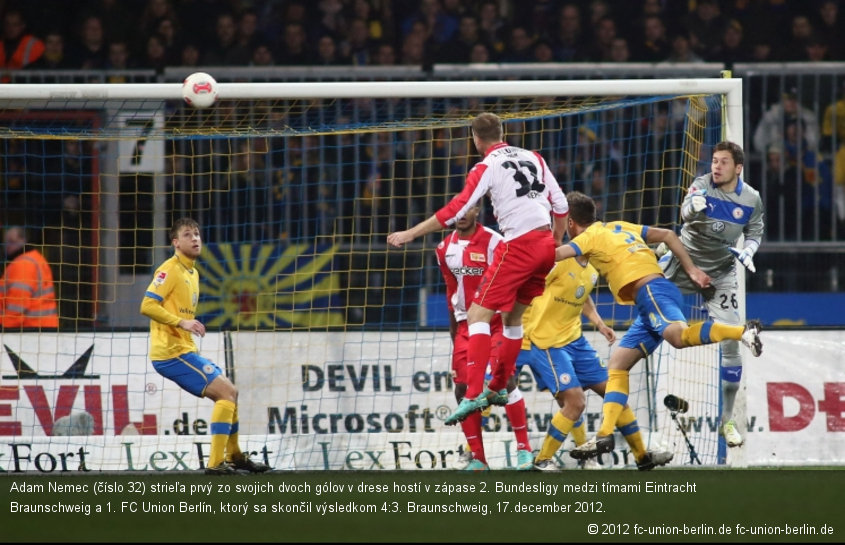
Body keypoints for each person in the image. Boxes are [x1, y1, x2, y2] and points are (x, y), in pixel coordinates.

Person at [387, 112, 569, 429]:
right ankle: (498, 386)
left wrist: (410, 234)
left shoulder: (486, 165)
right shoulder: (534, 157)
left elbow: (457, 207)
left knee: (476, 316)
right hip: (544, 244)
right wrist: (552, 242)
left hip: (520, 244)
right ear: (503, 132)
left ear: (475, 139)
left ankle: (473, 393)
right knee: (513, 319)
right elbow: (562, 205)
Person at [555, 191, 762, 460]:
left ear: (570, 222)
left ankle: (743, 331)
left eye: (561, 220)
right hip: (650, 298)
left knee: (678, 337)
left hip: (653, 291)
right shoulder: (620, 226)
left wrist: (523, 245)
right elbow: (667, 235)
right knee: (618, 363)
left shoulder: (588, 237)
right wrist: (691, 269)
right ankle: (604, 435)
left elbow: (555, 254)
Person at [518, 250, 673, 471]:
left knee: (614, 395)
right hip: (547, 342)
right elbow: (529, 280)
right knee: (574, 402)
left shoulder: (590, 270)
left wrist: (600, 324)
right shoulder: (559, 261)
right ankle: (542, 460)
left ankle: (642, 457)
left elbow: (583, 295)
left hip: (575, 341)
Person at [140, 218, 271, 475]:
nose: (195, 238)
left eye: (197, 233)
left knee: (231, 392)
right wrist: (182, 323)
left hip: (184, 350)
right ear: (176, 243)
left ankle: (234, 456)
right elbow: (146, 305)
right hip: (170, 353)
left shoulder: (193, 272)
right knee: (225, 392)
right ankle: (215, 463)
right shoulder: (169, 270)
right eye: (188, 235)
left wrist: (185, 326)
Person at [657, 141, 765, 447]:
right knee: (652, 318)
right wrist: (692, 208)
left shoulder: (751, 198)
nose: (716, 166)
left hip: (721, 272)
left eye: (723, 162)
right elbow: (685, 211)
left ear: (738, 168)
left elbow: (755, 230)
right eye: (714, 161)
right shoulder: (702, 184)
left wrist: (750, 250)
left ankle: (727, 421)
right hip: (685, 264)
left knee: (733, 345)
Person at [434, 201, 533, 471]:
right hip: (466, 325)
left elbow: (514, 279)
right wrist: (455, 332)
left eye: (468, 209)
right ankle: (478, 458)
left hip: (497, 321)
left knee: (505, 381)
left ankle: (524, 450)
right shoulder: (444, 249)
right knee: (462, 389)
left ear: (478, 211)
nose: (462, 215)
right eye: (457, 210)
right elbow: (450, 291)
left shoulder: (495, 242)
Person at [0, 226, 58, 329]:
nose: (7, 246)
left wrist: (3, 327)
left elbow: (17, 308)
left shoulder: (22, 264)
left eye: (12, 241)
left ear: (24, 240)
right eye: (6, 242)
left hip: (30, 330)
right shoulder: (35, 258)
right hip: (42, 329)